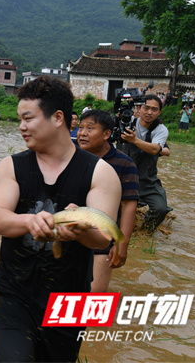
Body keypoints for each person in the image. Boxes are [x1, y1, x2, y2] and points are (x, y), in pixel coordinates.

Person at [0, 76, 120, 362]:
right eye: (20, 118)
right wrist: (29, 222)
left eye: (28, 118)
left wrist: (82, 229)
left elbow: (103, 237)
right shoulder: (12, 166)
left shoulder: (100, 173)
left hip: (70, 299)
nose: (21, 126)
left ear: (58, 117)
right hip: (14, 292)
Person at [77, 109, 139, 292]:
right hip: (71, 234)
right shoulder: (72, 157)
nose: (82, 133)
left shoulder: (124, 164)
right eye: (80, 128)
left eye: (90, 128)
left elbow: (128, 206)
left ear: (106, 134)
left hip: (103, 238)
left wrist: (122, 244)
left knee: (93, 299)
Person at [119, 95, 172, 232]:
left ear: (159, 112)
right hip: (121, 178)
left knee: (160, 208)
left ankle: (144, 233)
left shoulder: (160, 129)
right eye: (146, 108)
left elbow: (155, 149)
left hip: (147, 180)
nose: (149, 112)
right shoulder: (127, 121)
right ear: (139, 108)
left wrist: (134, 140)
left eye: (154, 109)